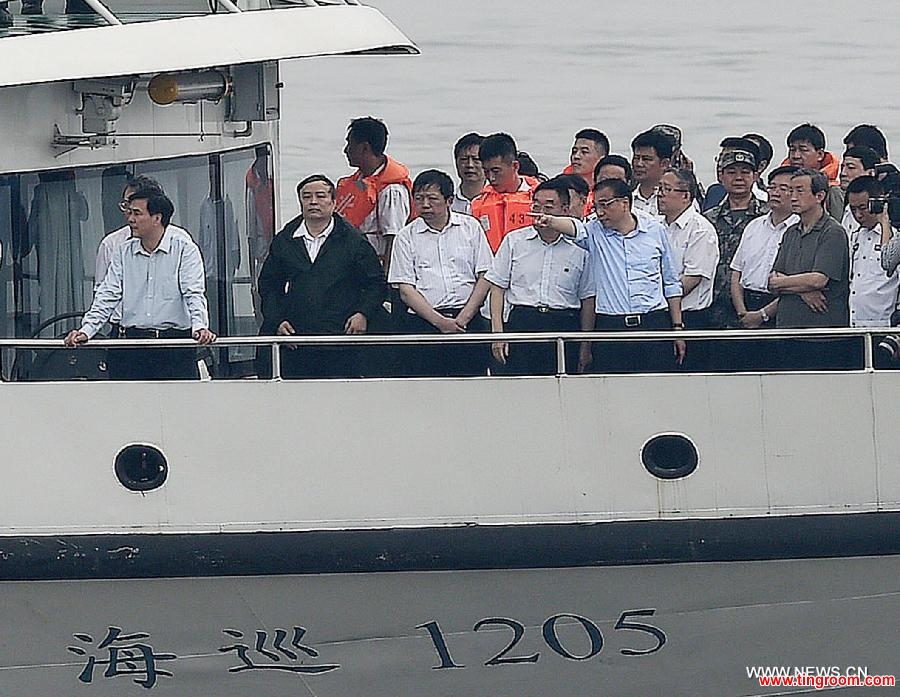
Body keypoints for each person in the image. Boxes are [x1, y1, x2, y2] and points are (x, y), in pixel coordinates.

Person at [532, 178, 686, 373]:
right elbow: (573, 228)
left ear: (625, 203)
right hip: (611, 325)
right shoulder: (593, 231)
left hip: (653, 322)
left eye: (605, 205)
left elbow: (671, 282)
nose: (600, 213)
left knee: (657, 388)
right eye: (596, 206)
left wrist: (678, 328)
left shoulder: (655, 230)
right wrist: (550, 220)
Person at [64, 188, 215, 380]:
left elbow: (193, 292)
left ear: (157, 218)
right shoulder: (123, 251)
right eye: (129, 212)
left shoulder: (185, 249)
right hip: (131, 346)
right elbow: (107, 295)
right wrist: (87, 330)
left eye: (137, 213)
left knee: (178, 407)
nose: (130, 219)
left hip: (174, 347)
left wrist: (200, 326)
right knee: (127, 407)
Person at [258, 174, 386, 379]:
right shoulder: (285, 240)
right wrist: (277, 320)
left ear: (334, 202)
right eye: (306, 197)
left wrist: (363, 313)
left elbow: (376, 283)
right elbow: (268, 285)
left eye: (320, 196)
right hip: (297, 338)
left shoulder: (353, 240)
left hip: (341, 339)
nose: (313, 202)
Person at [388, 169, 493, 377]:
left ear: (449, 200)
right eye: (419, 199)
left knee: (473, 382)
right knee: (426, 386)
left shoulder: (470, 227)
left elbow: (485, 275)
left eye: (432, 198)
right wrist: (440, 322)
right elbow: (406, 290)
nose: (425, 205)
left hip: (468, 321)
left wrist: (464, 317)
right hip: (423, 323)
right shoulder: (405, 236)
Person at [486, 178, 595, 375]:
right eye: (536, 205)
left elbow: (588, 298)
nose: (540, 213)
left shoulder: (581, 247)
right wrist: (497, 333)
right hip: (523, 320)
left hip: (564, 322)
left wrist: (585, 344)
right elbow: (497, 287)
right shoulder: (515, 241)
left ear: (565, 209)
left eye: (549, 206)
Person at [769, 168, 852, 370]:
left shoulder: (833, 232)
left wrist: (787, 283)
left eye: (799, 191)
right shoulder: (791, 232)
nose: (793, 197)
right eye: (791, 191)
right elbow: (772, 281)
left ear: (819, 196)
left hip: (822, 334)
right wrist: (803, 290)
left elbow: (819, 280)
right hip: (787, 330)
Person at [335, 116, 412, 270]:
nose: (345, 150)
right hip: (350, 264)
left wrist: (385, 284)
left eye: (350, 144)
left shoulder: (392, 190)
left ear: (364, 148)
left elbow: (394, 239)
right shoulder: (356, 181)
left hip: (374, 267)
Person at [704, 149, 769, 329]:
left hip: (753, 305)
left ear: (755, 176)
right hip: (714, 306)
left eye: (745, 172)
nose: (739, 178)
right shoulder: (708, 219)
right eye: (732, 172)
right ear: (720, 176)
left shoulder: (767, 217)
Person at [730, 166, 800, 333]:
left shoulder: (799, 230)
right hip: (746, 305)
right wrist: (742, 312)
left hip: (779, 307)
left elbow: (796, 285)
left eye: (783, 189)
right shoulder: (754, 225)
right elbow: (736, 273)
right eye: (772, 187)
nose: (775, 193)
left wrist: (762, 315)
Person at [657, 168, 719, 334]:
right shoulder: (655, 226)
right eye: (659, 188)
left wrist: (663, 299)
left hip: (690, 316)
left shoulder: (701, 229)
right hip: (658, 312)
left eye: (667, 189)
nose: (660, 194)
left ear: (686, 195)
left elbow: (692, 278)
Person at [845, 176, 899, 328]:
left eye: (863, 208)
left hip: (884, 325)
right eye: (853, 209)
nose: (858, 215)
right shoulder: (853, 236)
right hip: (854, 324)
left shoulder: (895, 237)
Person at [471, 133, 539, 252]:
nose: (491, 178)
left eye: (496, 171)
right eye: (486, 171)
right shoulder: (477, 204)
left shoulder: (539, 199)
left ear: (515, 166)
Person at [784, 123, 843, 219]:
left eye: (803, 150)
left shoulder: (832, 191)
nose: (796, 156)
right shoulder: (780, 185)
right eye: (792, 150)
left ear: (820, 154)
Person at [562, 129, 609, 216]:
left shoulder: (609, 190)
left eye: (584, 152)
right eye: (574, 151)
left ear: (601, 159)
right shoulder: (559, 186)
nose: (576, 156)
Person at [630, 129, 673, 217]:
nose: (639, 164)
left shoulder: (676, 199)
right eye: (636, 158)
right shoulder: (626, 199)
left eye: (646, 159)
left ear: (664, 164)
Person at [838, 146, 879, 236]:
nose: (843, 173)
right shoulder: (848, 208)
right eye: (842, 167)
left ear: (871, 173)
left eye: (851, 168)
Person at [451, 132, 485, 215]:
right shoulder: (449, 203)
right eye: (464, 159)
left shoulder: (498, 200)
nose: (470, 165)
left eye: (476, 159)